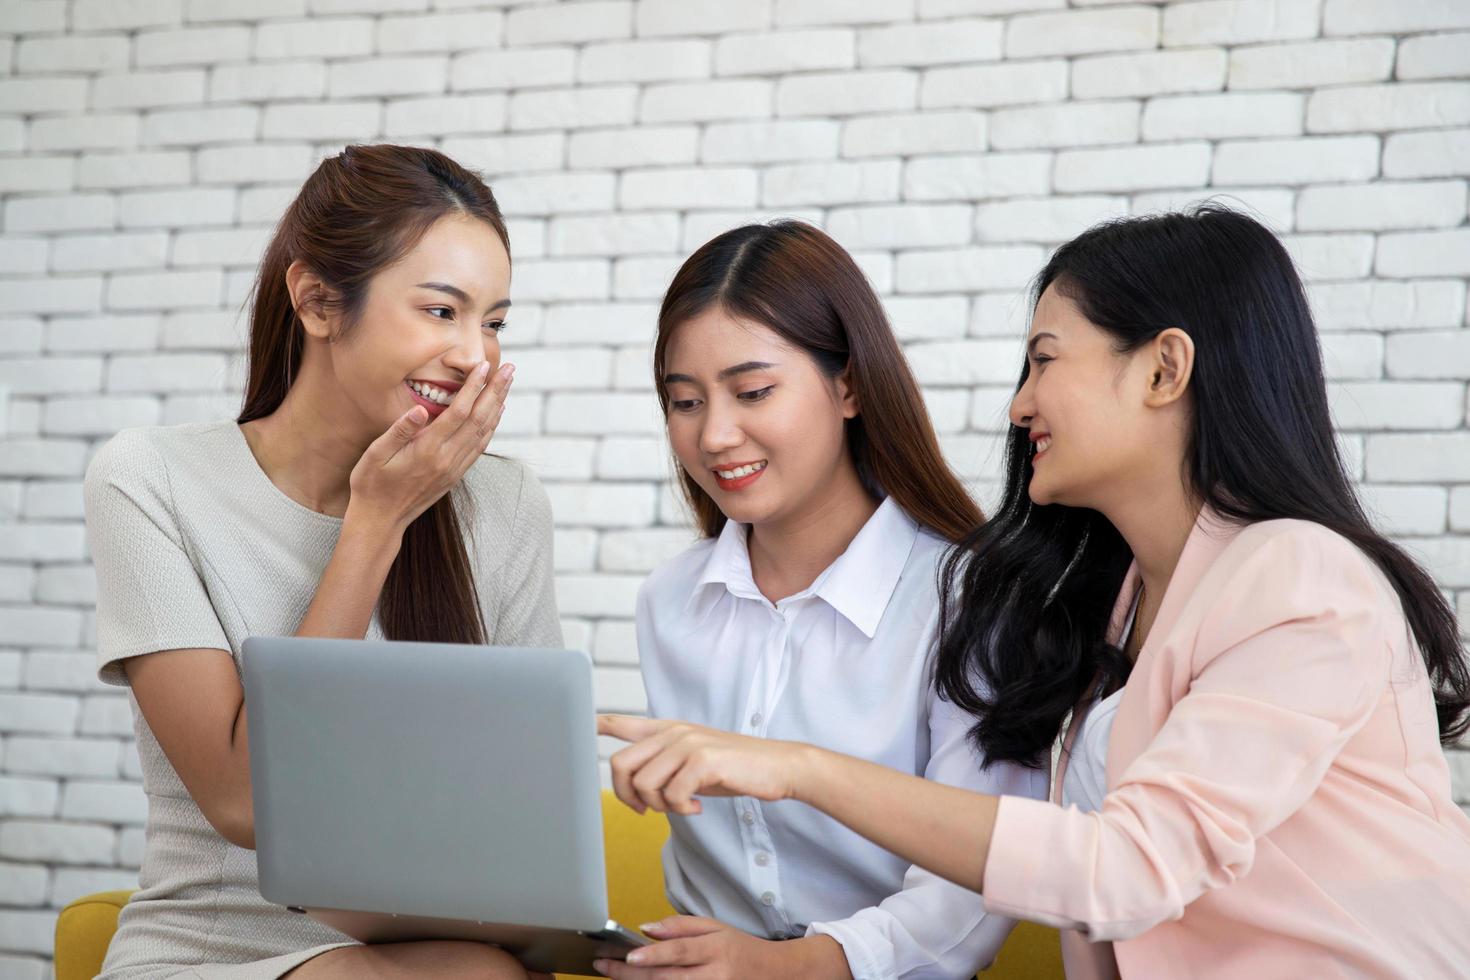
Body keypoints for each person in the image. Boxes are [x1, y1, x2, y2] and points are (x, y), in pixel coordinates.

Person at [599, 206, 1470, 979]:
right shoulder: (1116, 601)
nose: (1019, 407)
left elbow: (1123, 870)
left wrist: (796, 770)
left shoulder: (1298, 575)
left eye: (1044, 361)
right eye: (683, 400)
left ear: (1165, 370)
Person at [85, 144, 559, 980]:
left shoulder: (505, 505)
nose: (476, 358)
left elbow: (527, 808)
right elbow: (247, 802)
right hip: (212, 947)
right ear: (316, 302)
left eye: (493, 323)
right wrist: (377, 522)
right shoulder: (150, 479)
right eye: (442, 311)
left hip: (419, 950)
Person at [599, 222, 1046, 980]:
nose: (714, 434)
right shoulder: (670, 601)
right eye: (684, 401)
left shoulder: (970, 601)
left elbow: (972, 884)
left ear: (848, 385)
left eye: (752, 392)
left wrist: (790, 965)